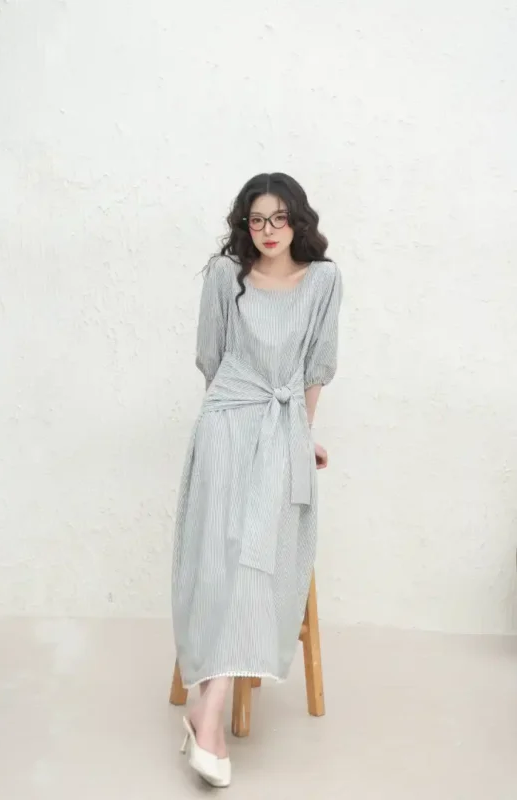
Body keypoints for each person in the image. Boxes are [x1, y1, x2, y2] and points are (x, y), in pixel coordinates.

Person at [172, 172, 342, 787]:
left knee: (254, 554)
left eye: (279, 218)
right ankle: (210, 718)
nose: (268, 230)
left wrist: (300, 434)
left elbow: (316, 366)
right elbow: (211, 360)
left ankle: (207, 713)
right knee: (222, 552)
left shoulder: (323, 280)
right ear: (245, 225)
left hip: (283, 427)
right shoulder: (226, 275)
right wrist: (239, 420)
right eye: (256, 220)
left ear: (298, 219)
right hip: (226, 424)